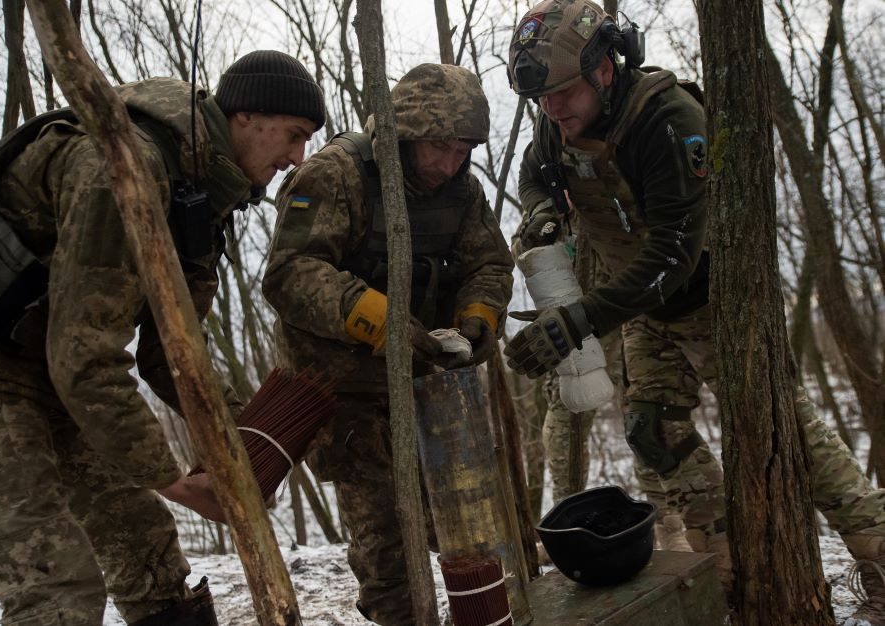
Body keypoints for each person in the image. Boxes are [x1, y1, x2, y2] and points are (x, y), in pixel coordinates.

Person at [503, 0, 885, 620]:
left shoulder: (667, 120)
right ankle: (727, 567)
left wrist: (578, 321)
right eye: (542, 99)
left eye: (564, 92)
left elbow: (672, 255)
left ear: (605, 68)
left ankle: (877, 549)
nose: (554, 110)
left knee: (783, 433)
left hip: (713, 301)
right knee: (650, 430)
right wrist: (542, 208)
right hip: (644, 308)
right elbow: (534, 173)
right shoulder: (557, 121)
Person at [0, 50, 325, 626]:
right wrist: (173, 480)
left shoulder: (200, 197)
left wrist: (235, 447)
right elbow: (87, 359)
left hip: (50, 368)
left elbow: (174, 355)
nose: (298, 157)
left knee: (144, 549)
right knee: (55, 584)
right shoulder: (122, 166)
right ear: (247, 117)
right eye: (294, 135)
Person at [262, 63, 514, 625]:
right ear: (405, 135)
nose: (450, 164)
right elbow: (290, 273)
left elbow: (490, 263)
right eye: (439, 148)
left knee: (468, 528)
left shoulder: (461, 189)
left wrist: (476, 320)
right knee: (387, 548)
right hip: (344, 390)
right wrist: (380, 321)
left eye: (463, 150)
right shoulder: (336, 175)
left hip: (430, 385)